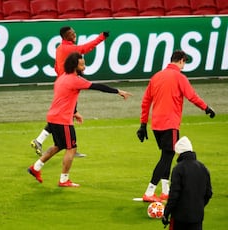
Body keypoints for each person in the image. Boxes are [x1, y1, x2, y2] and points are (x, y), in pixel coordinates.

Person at [28, 52, 132, 187]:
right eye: (82, 64)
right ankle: (64, 180)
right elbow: (97, 86)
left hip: (53, 117)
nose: (84, 66)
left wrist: (75, 112)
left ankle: (35, 168)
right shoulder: (75, 79)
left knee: (59, 146)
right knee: (71, 148)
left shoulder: (61, 78)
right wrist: (118, 91)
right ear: (74, 65)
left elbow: (66, 97)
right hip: (62, 119)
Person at [136, 50, 215, 202]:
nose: (184, 65)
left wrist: (143, 124)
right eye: (184, 62)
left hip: (156, 124)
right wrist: (206, 108)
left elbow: (146, 101)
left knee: (167, 154)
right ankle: (150, 191)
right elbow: (192, 96)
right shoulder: (179, 77)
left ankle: (165, 191)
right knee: (167, 157)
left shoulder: (156, 76)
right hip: (170, 123)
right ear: (181, 60)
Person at [31, 26, 109, 158]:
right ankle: (70, 147)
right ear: (65, 36)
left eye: (74, 32)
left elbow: (56, 66)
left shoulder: (60, 48)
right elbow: (85, 48)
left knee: (62, 115)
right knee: (65, 115)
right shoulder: (69, 48)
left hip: (62, 83)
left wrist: (61, 77)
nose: (74, 34)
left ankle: (40, 140)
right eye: (71, 33)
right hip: (68, 85)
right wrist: (101, 38)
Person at [162, 136, 212, 230]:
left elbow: (174, 195)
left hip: (180, 217)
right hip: (197, 216)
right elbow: (208, 193)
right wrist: (198, 205)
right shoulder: (203, 168)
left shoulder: (178, 169)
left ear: (179, 153)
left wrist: (166, 213)